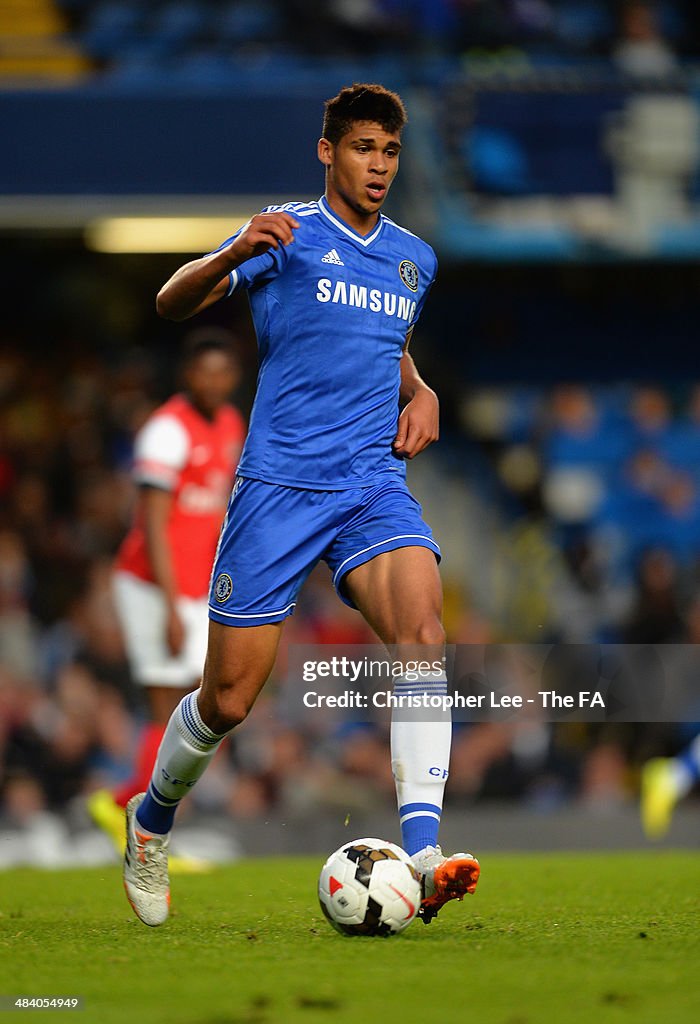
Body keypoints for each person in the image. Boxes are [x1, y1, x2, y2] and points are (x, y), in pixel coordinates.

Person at [123, 83, 480, 927]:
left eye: (390, 152)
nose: (379, 167)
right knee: (228, 702)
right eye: (364, 150)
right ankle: (150, 823)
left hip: (369, 483)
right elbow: (172, 302)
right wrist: (231, 251)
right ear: (329, 152)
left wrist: (419, 385)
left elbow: (380, 339)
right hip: (279, 488)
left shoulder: (413, 259)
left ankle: (423, 850)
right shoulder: (282, 234)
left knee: (423, 634)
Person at [89, 331, 245, 870]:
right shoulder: (164, 431)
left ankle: (127, 807)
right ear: (188, 375)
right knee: (167, 701)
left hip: (196, 584)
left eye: (223, 372)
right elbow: (152, 523)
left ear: (233, 378)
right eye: (205, 371)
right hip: (151, 582)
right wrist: (173, 605)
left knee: (201, 701)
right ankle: (144, 827)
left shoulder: (229, 426)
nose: (214, 381)